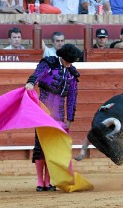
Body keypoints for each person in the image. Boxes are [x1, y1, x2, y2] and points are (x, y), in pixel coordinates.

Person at [25, 44, 82, 192]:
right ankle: (40, 182)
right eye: (69, 61)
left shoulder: (72, 73)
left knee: (54, 148)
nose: (70, 64)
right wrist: (31, 82)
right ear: (63, 57)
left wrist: (69, 119)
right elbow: (38, 73)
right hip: (43, 109)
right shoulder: (49, 63)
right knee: (40, 146)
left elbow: (72, 98)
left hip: (59, 113)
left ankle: (49, 181)